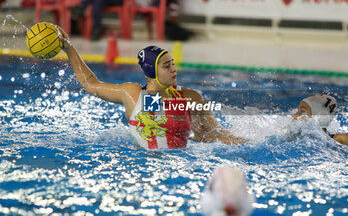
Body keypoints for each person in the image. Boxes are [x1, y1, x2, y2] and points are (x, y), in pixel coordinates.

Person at [57, 27, 247, 149]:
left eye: (173, 63)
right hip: (140, 168)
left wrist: (246, 144)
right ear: (151, 71)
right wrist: (69, 49)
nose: (174, 69)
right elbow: (91, 84)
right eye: (167, 66)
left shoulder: (190, 98)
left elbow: (214, 134)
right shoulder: (131, 94)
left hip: (180, 168)